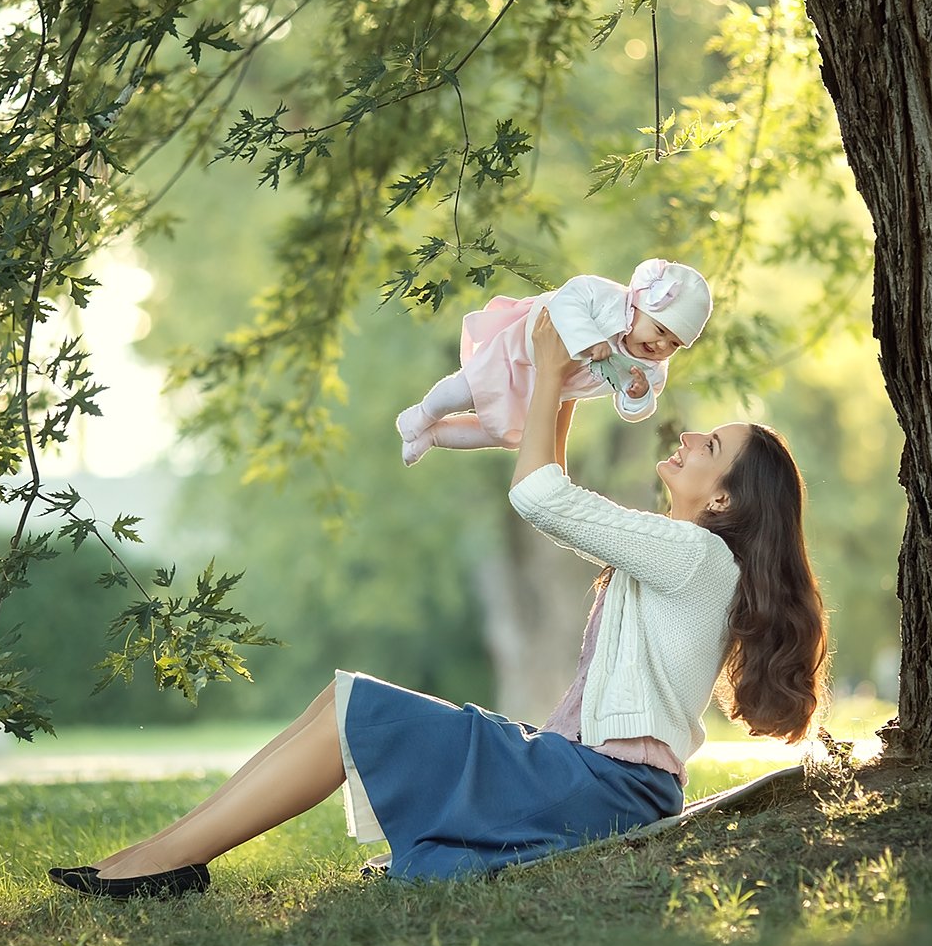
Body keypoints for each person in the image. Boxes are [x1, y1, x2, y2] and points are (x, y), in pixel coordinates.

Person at [50, 310, 827, 899]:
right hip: (590, 780)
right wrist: (555, 386)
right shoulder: (682, 554)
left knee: (360, 707)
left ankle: (167, 863)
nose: (689, 436)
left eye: (711, 446)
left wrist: (552, 361)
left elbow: (538, 495)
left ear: (723, 497)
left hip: (601, 790)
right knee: (341, 703)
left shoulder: (694, 556)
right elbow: (549, 479)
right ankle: (168, 857)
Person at [395, 257, 713, 466]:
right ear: (640, 305)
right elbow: (566, 301)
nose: (661, 346)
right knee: (464, 390)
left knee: (509, 436)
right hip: (518, 353)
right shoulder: (604, 297)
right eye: (659, 331)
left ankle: (434, 436)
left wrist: (638, 396)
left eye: (674, 344)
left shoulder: (650, 371)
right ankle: (422, 414)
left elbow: (638, 410)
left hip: (546, 389)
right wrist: (590, 339)